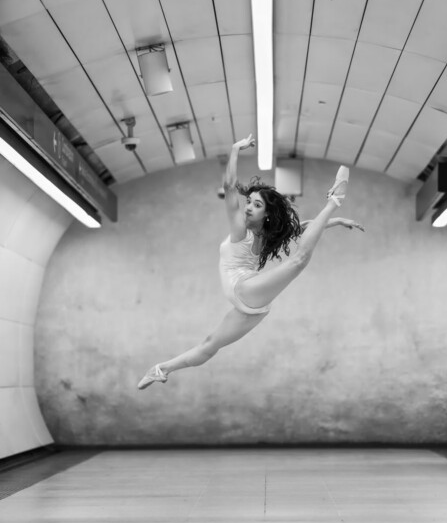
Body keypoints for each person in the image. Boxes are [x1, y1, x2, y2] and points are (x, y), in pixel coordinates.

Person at [137, 135, 363, 389]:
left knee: (298, 261)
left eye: (256, 205)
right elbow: (230, 185)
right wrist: (234, 149)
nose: (247, 208)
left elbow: (301, 229)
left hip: (248, 293)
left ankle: (334, 201)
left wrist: (334, 222)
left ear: (266, 214)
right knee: (210, 346)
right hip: (246, 297)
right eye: (249, 202)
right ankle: (161, 368)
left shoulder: (263, 235)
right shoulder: (240, 230)